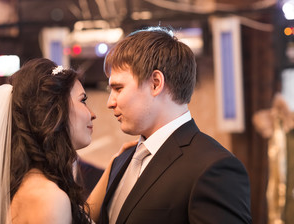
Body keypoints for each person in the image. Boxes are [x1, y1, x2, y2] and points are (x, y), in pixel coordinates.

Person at [96, 26, 252, 224]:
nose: (110, 102)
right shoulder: (123, 159)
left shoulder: (213, 167)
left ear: (155, 83)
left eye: (118, 88)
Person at [0, 58, 113, 224]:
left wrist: (115, 165)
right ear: (55, 111)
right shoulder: (49, 198)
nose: (92, 114)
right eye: (83, 100)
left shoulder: (25, 185)